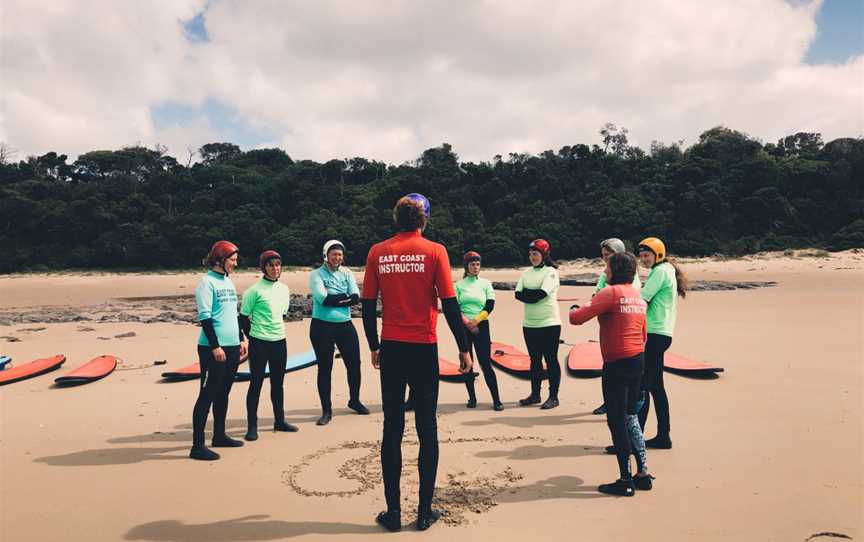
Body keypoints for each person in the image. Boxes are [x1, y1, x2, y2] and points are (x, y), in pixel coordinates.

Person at [361, 193, 472, 532]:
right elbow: (451, 306)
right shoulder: (435, 251)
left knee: (392, 428)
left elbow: (367, 306)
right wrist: (464, 348)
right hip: (424, 348)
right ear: (424, 220)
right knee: (427, 429)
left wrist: (374, 345)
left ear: (396, 220)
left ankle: (393, 513)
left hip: (392, 347)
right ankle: (424, 513)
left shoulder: (378, 252)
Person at [570, 252, 654, 496]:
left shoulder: (610, 293)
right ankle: (643, 474)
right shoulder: (637, 296)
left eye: (607, 267)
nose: (604, 272)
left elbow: (576, 318)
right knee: (631, 418)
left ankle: (625, 480)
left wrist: (577, 306)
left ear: (614, 270)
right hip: (638, 360)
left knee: (616, 421)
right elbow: (644, 333)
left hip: (616, 363)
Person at [190, 240, 248, 461]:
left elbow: (233, 314)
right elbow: (205, 317)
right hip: (212, 349)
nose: (236, 263)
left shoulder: (227, 281)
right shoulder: (207, 283)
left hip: (233, 346)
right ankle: (197, 446)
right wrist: (215, 346)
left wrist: (241, 338)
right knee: (207, 394)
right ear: (220, 260)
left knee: (223, 392)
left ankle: (219, 435)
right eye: (232, 260)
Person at [239, 250, 298, 442]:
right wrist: (253, 337)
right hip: (259, 343)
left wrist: (271, 333)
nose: (275, 268)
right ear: (263, 267)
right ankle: (252, 426)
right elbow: (243, 318)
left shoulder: (284, 289)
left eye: (278, 265)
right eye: (271, 265)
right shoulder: (254, 291)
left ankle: (279, 421)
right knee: (256, 384)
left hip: (279, 341)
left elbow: (281, 315)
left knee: (278, 384)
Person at [309, 239, 368, 426]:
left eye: (340, 254)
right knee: (325, 368)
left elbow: (355, 297)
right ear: (326, 255)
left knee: (354, 364)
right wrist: (343, 298)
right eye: (334, 254)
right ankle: (326, 410)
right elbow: (323, 299)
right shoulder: (316, 274)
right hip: (322, 327)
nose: (337, 257)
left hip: (345, 325)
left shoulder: (347, 273)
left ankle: (355, 400)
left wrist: (339, 299)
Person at [637, 237, 688, 449]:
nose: (643, 259)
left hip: (655, 334)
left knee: (642, 388)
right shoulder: (665, 270)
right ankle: (663, 436)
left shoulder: (660, 271)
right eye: (641, 256)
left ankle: (634, 440)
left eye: (647, 255)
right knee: (657, 388)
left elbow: (641, 300)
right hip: (662, 334)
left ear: (658, 254)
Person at [592, 238, 642, 416]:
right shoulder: (605, 274)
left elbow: (628, 298)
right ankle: (609, 402)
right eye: (604, 255)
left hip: (627, 330)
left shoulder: (630, 276)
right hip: (608, 326)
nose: (605, 258)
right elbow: (597, 295)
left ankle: (625, 410)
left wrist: (603, 300)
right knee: (608, 368)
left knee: (623, 373)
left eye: (609, 255)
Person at [515, 239, 561, 410]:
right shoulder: (526, 273)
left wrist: (529, 294)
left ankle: (553, 396)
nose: (532, 257)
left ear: (544, 254)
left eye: (536, 253)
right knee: (534, 360)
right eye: (530, 254)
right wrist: (530, 295)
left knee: (551, 359)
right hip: (529, 324)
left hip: (549, 323)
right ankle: (535, 395)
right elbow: (517, 295)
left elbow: (539, 295)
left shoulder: (551, 272)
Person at [456, 251, 503, 411]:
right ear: (466, 266)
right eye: (472, 264)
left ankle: (496, 400)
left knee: (485, 363)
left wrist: (476, 320)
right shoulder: (458, 285)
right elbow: (456, 308)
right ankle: (472, 398)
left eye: (477, 264)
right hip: (464, 326)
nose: (475, 267)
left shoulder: (485, 283)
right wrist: (468, 323)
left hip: (481, 325)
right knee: (467, 362)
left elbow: (490, 305)